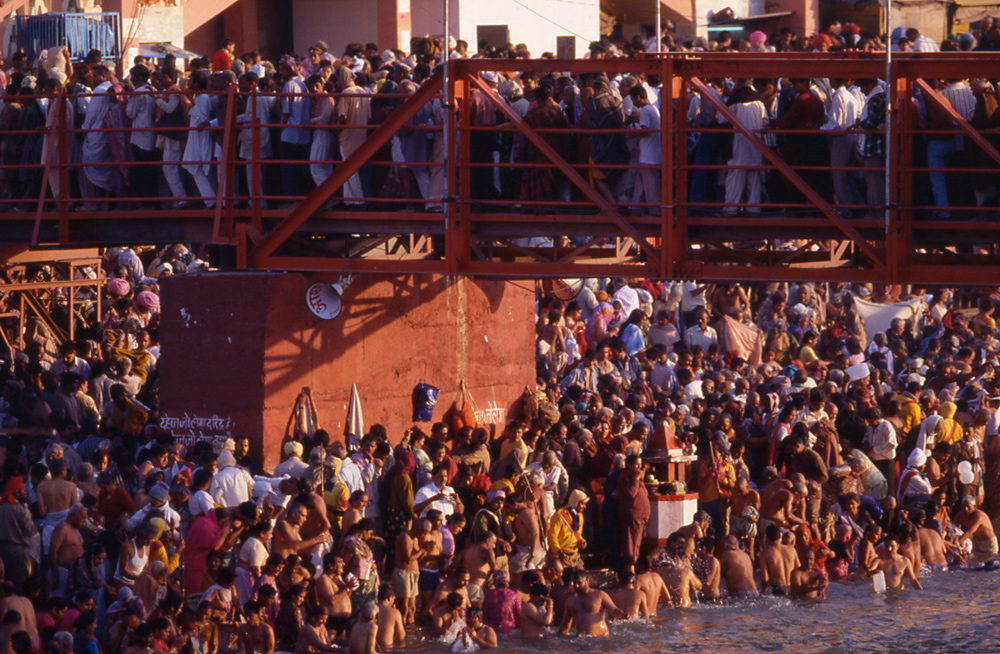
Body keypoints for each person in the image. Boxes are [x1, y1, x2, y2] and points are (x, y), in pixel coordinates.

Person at [559, 569, 623, 637]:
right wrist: (558, 638)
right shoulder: (570, 601)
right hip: (581, 640)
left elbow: (613, 610)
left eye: (579, 583)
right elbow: (565, 625)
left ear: (587, 581)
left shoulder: (600, 595)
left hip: (600, 639)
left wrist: (622, 614)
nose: (576, 586)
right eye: (574, 583)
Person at [375, 584, 405, 650]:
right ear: (390, 597)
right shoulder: (395, 613)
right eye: (394, 599)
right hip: (387, 650)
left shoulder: (369, 609)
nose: (393, 602)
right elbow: (400, 637)